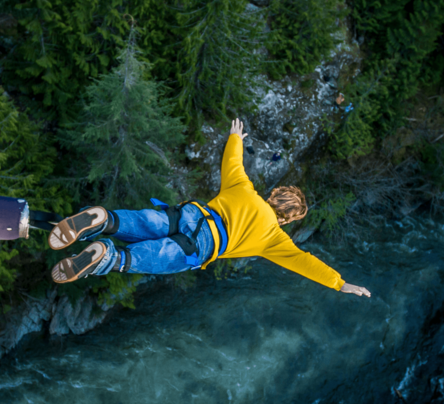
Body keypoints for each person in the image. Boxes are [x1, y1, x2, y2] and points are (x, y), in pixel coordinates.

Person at [48, 119, 371, 297]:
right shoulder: (274, 239)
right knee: (145, 258)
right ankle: (107, 256)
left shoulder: (244, 189)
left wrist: (235, 138)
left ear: (273, 195)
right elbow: (304, 263)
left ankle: (103, 219)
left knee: (145, 222)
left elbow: (233, 162)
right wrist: (340, 283)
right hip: (203, 246)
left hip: (190, 215)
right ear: (286, 219)